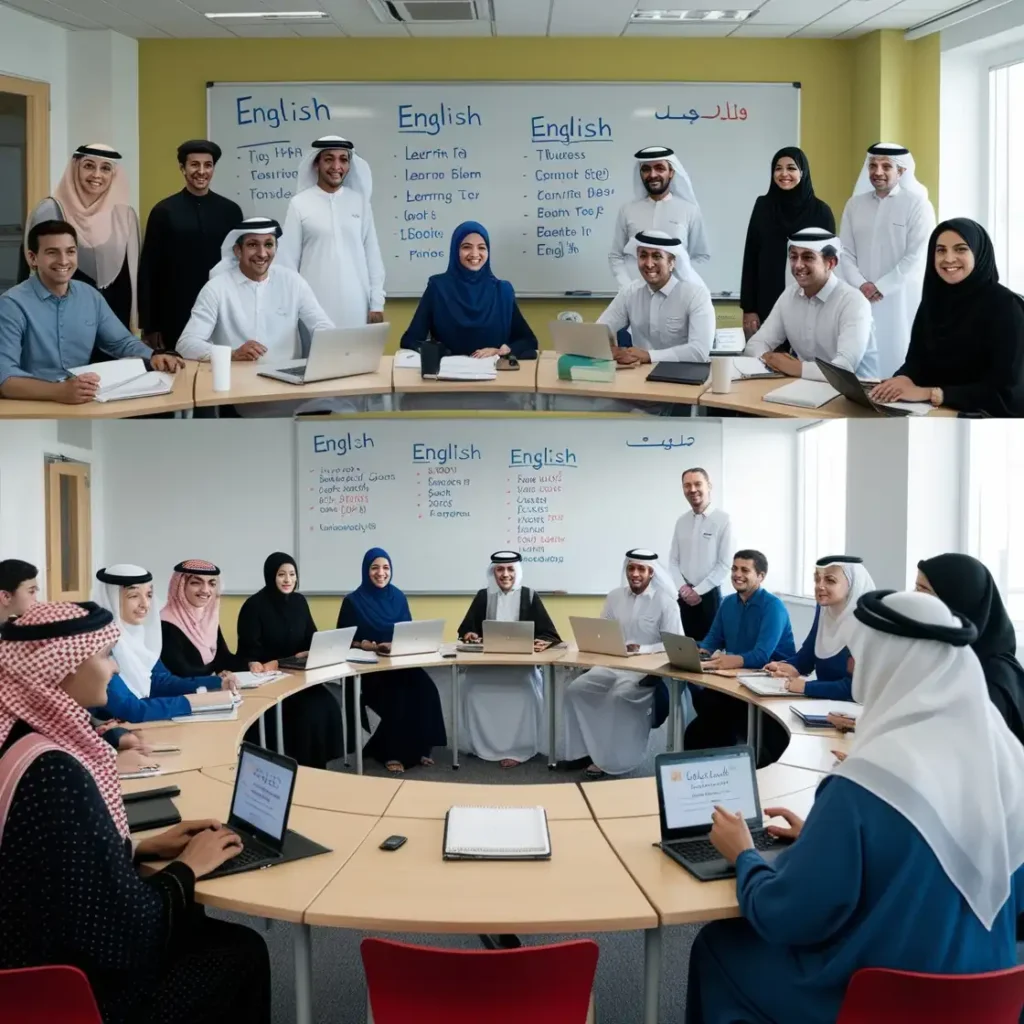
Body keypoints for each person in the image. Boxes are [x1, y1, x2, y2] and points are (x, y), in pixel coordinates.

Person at [688, 590, 1024, 1024]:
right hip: (988, 996)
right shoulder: (1008, 767)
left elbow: (787, 915)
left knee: (719, 946)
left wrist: (744, 855)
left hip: (876, 999)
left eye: (858, 652)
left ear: (891, 662)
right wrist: (817, 837)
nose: (849, 665)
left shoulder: (864, 782)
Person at [0, 601, 271, 1024]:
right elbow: (121, 931)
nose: (114, 668)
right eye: (105, 656)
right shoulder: (55, 771)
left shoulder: (21, 736)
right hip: (76, 991)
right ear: (64, 666)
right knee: (242, 952)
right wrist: (187, 867)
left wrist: (140, 849)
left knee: (195, 920)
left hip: (34, 952)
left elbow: (59, 864)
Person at [0, 220, 183, 403]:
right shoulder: (11, 305)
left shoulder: (90, 295)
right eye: (52, 252)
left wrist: (154, 356)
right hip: (32, 403)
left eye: (70, 251)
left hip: (83, 399)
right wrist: (58, 392)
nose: (63, 260)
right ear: (32, 258)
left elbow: (121, 342)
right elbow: (5, 378)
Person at [870, 219, 1024, 417]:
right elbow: (917, 361)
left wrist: (935, 394)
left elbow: (1009, 394)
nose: (949, 259)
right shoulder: (933, 302)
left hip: (984, 424)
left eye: (960, 249)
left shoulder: (1006, 307)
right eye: (941, 250)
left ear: (978, 253)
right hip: (931, 415)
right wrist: (903, 379)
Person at [562, 549, 682, 778]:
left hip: (645, 672)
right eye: (631, 568)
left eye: (641, 569)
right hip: (612, 665)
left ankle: (612, 760)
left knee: (617, 698)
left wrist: (642, 649)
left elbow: (674, 644)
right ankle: (582, 752)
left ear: (651, 573)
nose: (635, 573)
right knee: (576, 690)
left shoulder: (666, 603)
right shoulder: (614, 596)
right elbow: (601, 629)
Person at [336, 548, 446, 773]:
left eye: (386, 568)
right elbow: (342, 641)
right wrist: (366, 645)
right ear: (366, 570)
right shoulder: (353, 601)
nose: (381, 573)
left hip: (400, 664)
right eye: (374, 568)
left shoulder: (399, 597)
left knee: (426, 689)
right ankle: (391, 753)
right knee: (397, 696)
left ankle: (419, 749)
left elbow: (409, 633)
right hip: (370, 670)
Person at [235, 552, 344, 769]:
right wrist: (253, 663)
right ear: (270, 576)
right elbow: (247, 653)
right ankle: (299, 767)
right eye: (281, 574)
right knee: (307, 713)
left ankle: (318, 767)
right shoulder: (254, 606)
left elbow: (311, 636)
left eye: (292, 574)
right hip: (270, 681)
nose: (288, 580)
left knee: (327, 703)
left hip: (297, 675)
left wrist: (312, 650)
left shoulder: (299, 601)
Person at [177, 216, 333, 365]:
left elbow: (322, 327)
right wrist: (232, 354)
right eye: (252, 245)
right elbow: (186, 344)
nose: (262, 254)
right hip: (235, 377)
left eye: (268, 245)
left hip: (287, 376)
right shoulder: (216, 288)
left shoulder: (292, 282)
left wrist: (334, 346)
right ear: (238, 250)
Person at [838, 142, 936, 378]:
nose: (877, 172)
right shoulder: (854, 205)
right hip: (859, 295)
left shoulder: (917, 205)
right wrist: (862, 284)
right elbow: (844, 251)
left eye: (886, 166)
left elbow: (917, 256)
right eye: (873, 165)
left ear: (901, 171)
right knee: (860, 358)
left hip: (899, 299)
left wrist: (881, 287)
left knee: (898, 352)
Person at [21, 144, 140, 332]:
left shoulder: (125, 216)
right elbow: (32, 269)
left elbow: (131, 274)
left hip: (115, 317)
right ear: (75, 168)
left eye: (105, 168)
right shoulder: (49, 211)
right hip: (60, 316)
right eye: (89, 166)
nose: (97, 175)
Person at [457, 551, 560, 767]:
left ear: (517, 572)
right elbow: (466, 630)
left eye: (510, 569)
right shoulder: (483, 596)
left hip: (520, 666)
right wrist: (470, 634)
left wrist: (541, 641)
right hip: (486, 665)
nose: (505, 574)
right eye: (500, 569)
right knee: (471, 689)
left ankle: (518, 749)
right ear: (493, 572)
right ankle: (480, 745)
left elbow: (549, 634)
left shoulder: (529, 596)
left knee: (524, 692)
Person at [685, 550, 796, 750]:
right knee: (697, 730)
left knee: (704, 726)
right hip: (735, 681)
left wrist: (726, 661)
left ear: (761, 576)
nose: (737, 574)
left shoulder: (773, 607)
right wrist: (698, 652)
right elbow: (712, 640)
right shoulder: (728, 602)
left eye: (745, 570)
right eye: (734, 569)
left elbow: (761, 656)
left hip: (769, 685)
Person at [138, 140, 243, 352]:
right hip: (175, 312)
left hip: (223, 309)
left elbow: (239, 264)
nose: (201, 171)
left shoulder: (230, 211)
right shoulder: (163, 211)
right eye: (194, 164)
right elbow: (149, 270)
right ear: (182, 168)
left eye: (208, 165)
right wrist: (150, 326)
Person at [90, 565, 230, 723]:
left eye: (149, 595)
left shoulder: (139, 636)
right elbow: (132, 709)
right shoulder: (97, 645)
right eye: (133, 596)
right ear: (111, 599)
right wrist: (192, 702)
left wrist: (217, 682)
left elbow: (160, 681)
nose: (145, 604)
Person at [277, 135, 385, 329]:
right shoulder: (299, 204)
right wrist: (289, 306)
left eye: (343, 160)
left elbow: (372, 256)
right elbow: (288, 261)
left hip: (357, 306)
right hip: (312, 307)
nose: (336, 166)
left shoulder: (360, 203)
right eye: (329, 159)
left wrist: (376, 303)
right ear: (316, 164)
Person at [916, 553, 1024, 746]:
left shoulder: (992, 681)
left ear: (957, 601)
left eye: (923, 590)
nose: (913, 598)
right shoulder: (948, 658)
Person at [745, 227, 878, 381]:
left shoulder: (853, 301)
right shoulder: (789, 295)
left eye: (808, 257)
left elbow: (843, 369)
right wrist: (770, 358)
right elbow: (755, 345)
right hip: (806, 386)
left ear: (831, 263)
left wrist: (795, 367)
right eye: (793, 257)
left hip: (858, 391)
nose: (798, 265)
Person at [400, 221, 537, 359]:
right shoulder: (438, 288)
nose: (475, 254)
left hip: (494, 370)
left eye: (482, 247)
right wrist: (437, 351)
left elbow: (529, 341)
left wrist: (501, 350)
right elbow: (410, 340)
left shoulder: (502, 291)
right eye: (466, 247)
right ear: (455, 251)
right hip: (448, 370)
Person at [740, 147, 836, 337]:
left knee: (805, 353)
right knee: (766, 353)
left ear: (803, 172)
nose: (784, 174)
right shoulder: (763, 207)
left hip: (810, 301)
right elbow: (751, 257)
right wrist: (749, 308)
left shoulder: (821, 211)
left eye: (791, 168)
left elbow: (829, 265)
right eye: (778, 168)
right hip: (767, 301)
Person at [765, 555, 875, 702]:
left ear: (853, 585)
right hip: (822, 704)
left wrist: (807, 687)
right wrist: (788, 666)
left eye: (830, 580)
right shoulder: (824, 609)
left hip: (851, 710)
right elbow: (808, 655)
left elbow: (855, 688)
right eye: (817, 579)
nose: (820, 586)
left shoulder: (867, 624)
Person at [597, 230, 714, 365]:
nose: (649, 264)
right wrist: (611, 350)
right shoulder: (630, 292)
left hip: (684, 374)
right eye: (643, 256)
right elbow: (600, 330)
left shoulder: (696, 295)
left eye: (657, 256)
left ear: (671, 263)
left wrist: (649, 356)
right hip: (639, 374)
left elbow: (700, 351)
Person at [609, 146, 709, 289]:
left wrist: (680, 286)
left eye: (659, 168)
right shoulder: (627, 210)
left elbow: (701, 256)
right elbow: (616, 256)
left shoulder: (689, 210)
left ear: (671, 172)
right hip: (636, 293)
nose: (652, 174)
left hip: (678, 294)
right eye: (646, 169)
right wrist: (627, 287)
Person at [159, 559, 253, 678]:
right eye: (196, 583)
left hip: (211, 686)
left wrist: (251, 665)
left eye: (212, 584)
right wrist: (216, 676)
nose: (205, 590)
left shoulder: (208, 619)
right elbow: (182, 672)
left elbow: (223, 659)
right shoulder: (166, 623)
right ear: (180, 586)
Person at [668, 468, 732, 640]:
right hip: (683, 596)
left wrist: (698, 591)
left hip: (710, 596)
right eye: (687, 485)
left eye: (698, 484)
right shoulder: (681, 521)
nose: (692, 489)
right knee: (683, 648)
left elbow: (725, 564)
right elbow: (673, 561)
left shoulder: (723, 520)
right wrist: (683, 589)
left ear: (709, 486)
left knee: (709, 649)